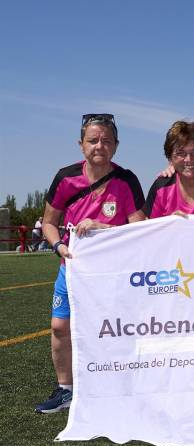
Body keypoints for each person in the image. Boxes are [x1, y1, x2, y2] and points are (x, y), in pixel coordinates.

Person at [35, 114, 145, 413]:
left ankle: (119, 389)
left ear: (116, 145)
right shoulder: (65, 177)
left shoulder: (126, 180)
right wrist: (58, 246)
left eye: (106, 141)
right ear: (81, 144)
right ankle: (66, 389)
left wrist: (103, 228)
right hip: (73, 270)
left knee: (115, 330)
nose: (99, 146)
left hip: (113, 274)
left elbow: (139, 229)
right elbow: (49, 222)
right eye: (93, 140)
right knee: (60, 328)